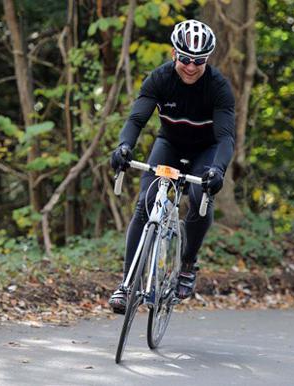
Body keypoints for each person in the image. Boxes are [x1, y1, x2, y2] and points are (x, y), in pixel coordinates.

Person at [108, 19, 236, 314]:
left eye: (198, 61)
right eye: (185, 59)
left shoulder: (218, 87)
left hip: (206, 150)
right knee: (145, 202)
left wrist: (218, 170)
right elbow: (136, 120)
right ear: (173, 53)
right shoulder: (159, 78)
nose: (191, 66)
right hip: (170, 143)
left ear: (207, 59)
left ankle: (188, 263)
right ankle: (127, 285)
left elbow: (226, 138)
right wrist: (124, 147)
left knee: (198, 195)